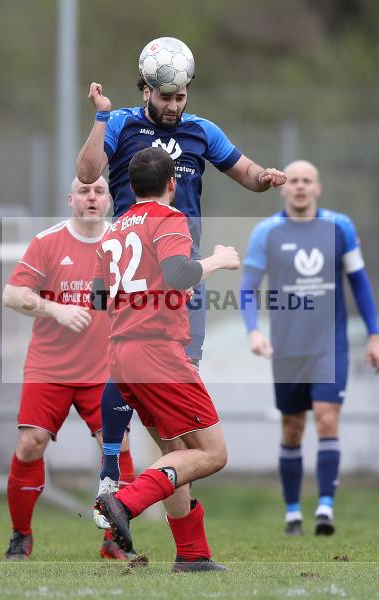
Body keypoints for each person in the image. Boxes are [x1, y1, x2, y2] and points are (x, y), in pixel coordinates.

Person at [76, 59, 287, 498]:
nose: (174, 106)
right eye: (166, 96)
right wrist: (99, 116)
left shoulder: (201, 131)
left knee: (148, 374)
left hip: (174, 269)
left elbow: (245, 172)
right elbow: (88, 173)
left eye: (181, 96)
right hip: (155, 270)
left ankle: (132, 490)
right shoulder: (118, 123)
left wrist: (264, 178)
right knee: (159, 379)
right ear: (146, 91)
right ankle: (121, 468)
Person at [91, 147, 240, 572]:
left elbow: (102, 296)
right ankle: (123, 501)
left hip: (122, 355)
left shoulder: (114, 230)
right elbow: (178, 272)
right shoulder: (170, 219)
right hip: (157, 353)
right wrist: (218, 260)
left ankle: (192, 555)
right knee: (212, 453)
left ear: (130, 187)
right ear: (173, 184)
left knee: (174, 450)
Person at [239, 160, 379, 536]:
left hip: (328, 346)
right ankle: (292, 513)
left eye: (308, 181)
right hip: (286, 348)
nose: (300, 187)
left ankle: (325, 508)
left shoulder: (340, 227)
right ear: (284, 188)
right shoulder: (266, 232)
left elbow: (360, 283)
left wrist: (374, 334)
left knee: (326, 418)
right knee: (291, 427)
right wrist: (254, 331)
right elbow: (247, 288)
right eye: (295, 181)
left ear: (318, 188)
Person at [1, 177, 136, 561]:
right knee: (30, 444)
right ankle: (21, 536)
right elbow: (11, 294)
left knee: (117, 448)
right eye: (83, 191)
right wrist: (53, 309)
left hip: (104, 371)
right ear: (70, 199)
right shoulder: (48, 241)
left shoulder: (124, 244)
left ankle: (114, 539)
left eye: (98, 192)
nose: (91, 198)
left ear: (110, 199)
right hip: (49, 367)